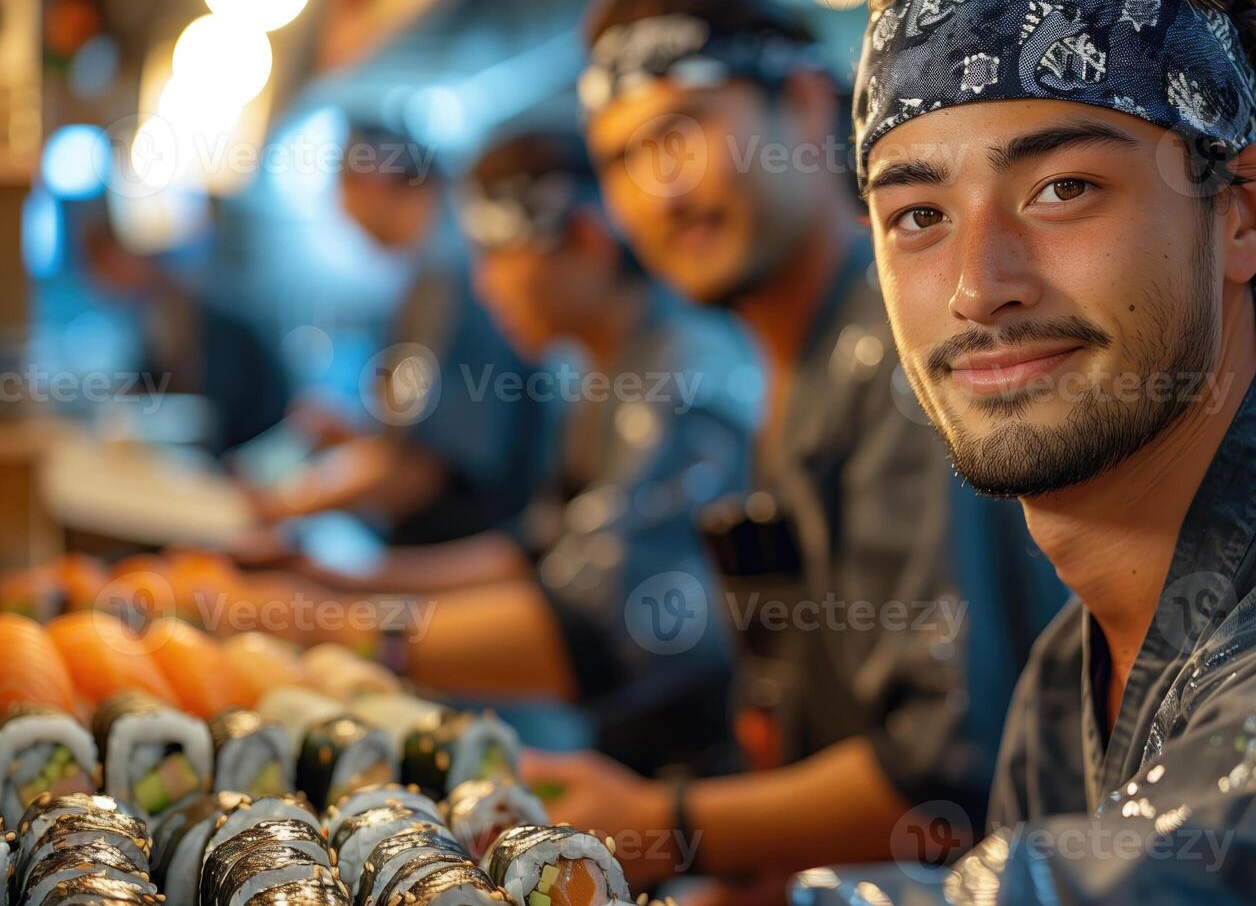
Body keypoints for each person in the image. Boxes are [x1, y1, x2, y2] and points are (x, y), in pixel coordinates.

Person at [852, 0, 1256, 901]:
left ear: (1243, 211)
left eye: (1064, 188)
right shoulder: (1071, 669)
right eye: (920, 215)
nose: (979, 287)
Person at [518, 0, 1068, 892]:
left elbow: (946, 774)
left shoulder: (902, 360)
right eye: (618, 160)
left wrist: (663, 825)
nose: (660, 190)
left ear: (809, 104)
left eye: (682, 131)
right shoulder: (787, 366)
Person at [301, 129, 758, 780]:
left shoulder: (683, 377)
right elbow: (537, 555)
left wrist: (334, 629)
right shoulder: (598, 371)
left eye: (499, 257)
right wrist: (336, 583)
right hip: (627, 753)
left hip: (706, 776)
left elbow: (597, 626)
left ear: (589, 241)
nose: (486, 289)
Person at [250, 122, 551, 544]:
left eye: (340, 184)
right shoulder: (430, 277)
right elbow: (416, 436)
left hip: (464, 563)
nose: (340, 208)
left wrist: (272, 505)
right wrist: (358, 435)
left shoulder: (454, 279)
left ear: (373, 177)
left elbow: (422, 470)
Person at [79, 215, 289, 454]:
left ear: (131, 255)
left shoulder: (199, 312)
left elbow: (219, 410)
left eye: (101, 264)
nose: (95, 278)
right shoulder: (152, 311)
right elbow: (148, 384)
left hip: (251, 458)